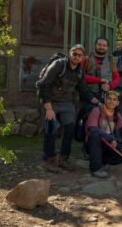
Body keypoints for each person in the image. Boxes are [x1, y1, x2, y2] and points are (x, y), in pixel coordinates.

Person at [36, 44, 99, 172]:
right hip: (51, 102)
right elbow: (43, 85)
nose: (77, 57)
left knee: (69, 129)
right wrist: (48, 108)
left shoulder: (80, 71)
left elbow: (83, 89)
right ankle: (48, 159)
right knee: (50, 130)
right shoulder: (59, 65)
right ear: (70, 53)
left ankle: (63, 159)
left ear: (82, 57)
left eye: (80, 55)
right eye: (74, 54)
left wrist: (96, 101)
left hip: (66, 103)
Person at [85, 90, 122, 178]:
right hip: (94, 144)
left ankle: (103, 162)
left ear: (117, 103)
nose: (112, 101)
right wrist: (111, 138)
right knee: (95, 135)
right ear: (105, 100)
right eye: (109, 98)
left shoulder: (116, 115)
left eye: (114, 99)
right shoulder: (97, 110)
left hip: (108, 144)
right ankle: (95, 168)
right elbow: (92, 129)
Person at [82, 37, 120, 102]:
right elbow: (81, 76)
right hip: (88, 95)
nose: (101, 47)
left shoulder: (111, 61)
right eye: (99, 44)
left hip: (106, 97)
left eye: (104, 45)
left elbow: (117, 78)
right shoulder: (85, 59)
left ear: (107, 47)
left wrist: (110, 86)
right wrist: (100, 80)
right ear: (95, 45)